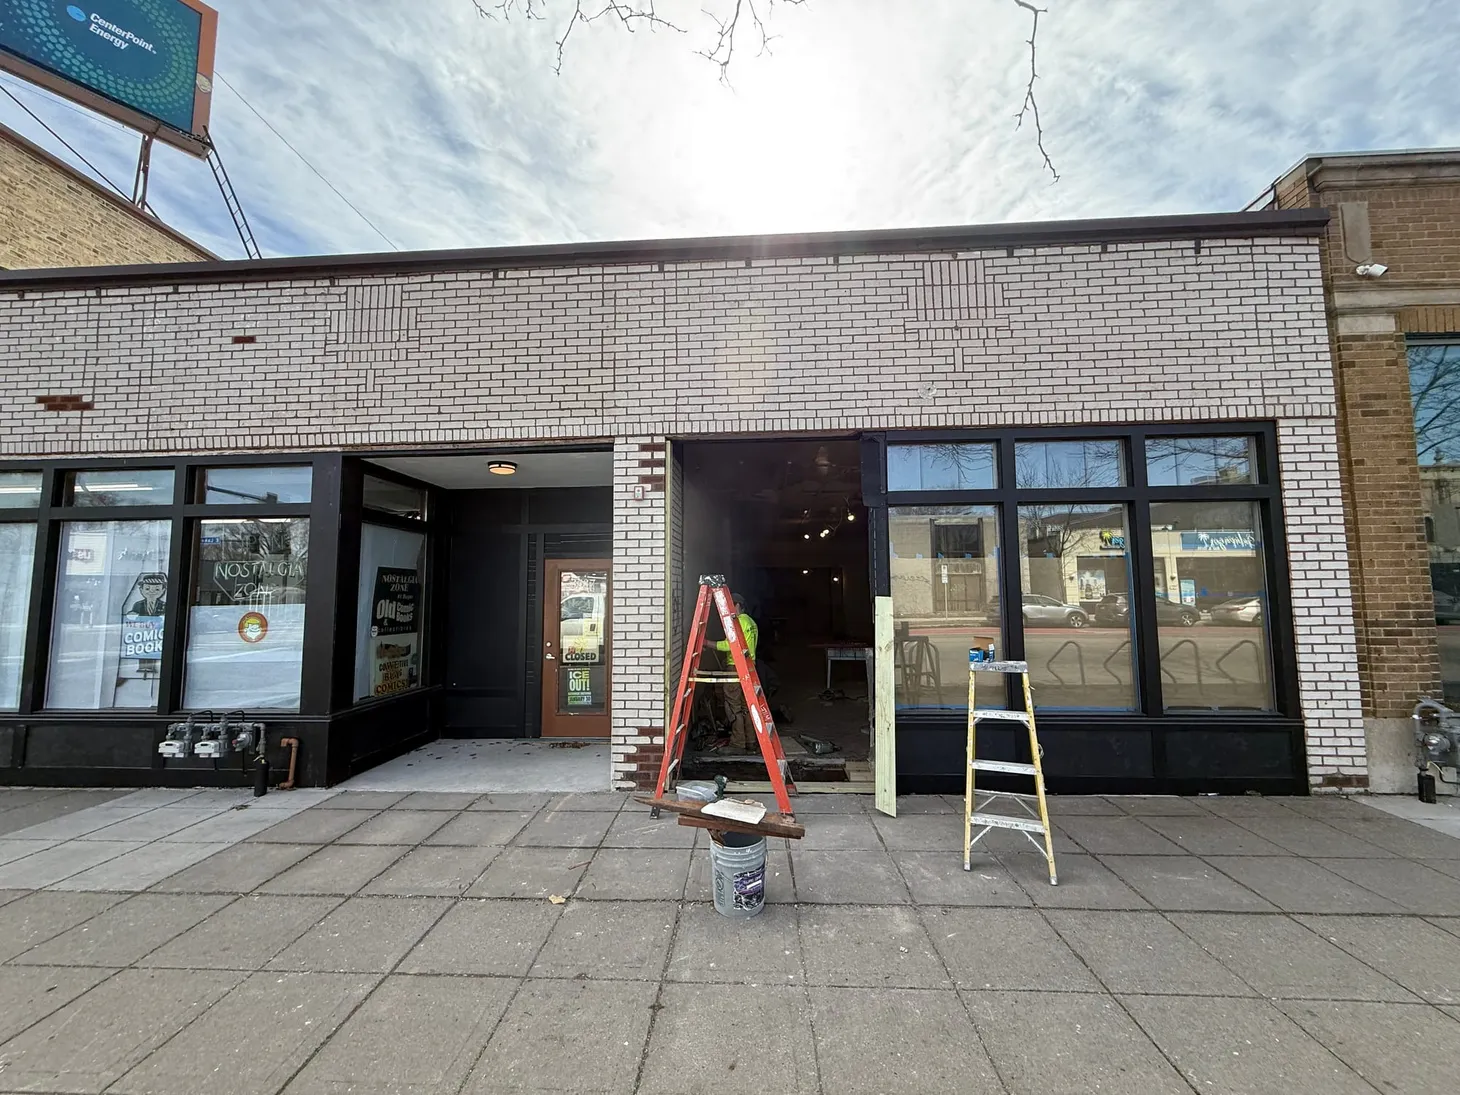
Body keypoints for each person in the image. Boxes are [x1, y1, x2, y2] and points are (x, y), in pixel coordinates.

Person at [711, 595, 759, 751]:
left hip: (735, 668)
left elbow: (729, 645)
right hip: (750, 667)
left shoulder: (738, 622)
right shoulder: (752, 622)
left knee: (733, 706)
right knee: (747, 707)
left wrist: (708, 643)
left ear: (737, 605)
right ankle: (751, 741)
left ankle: (737, 743)